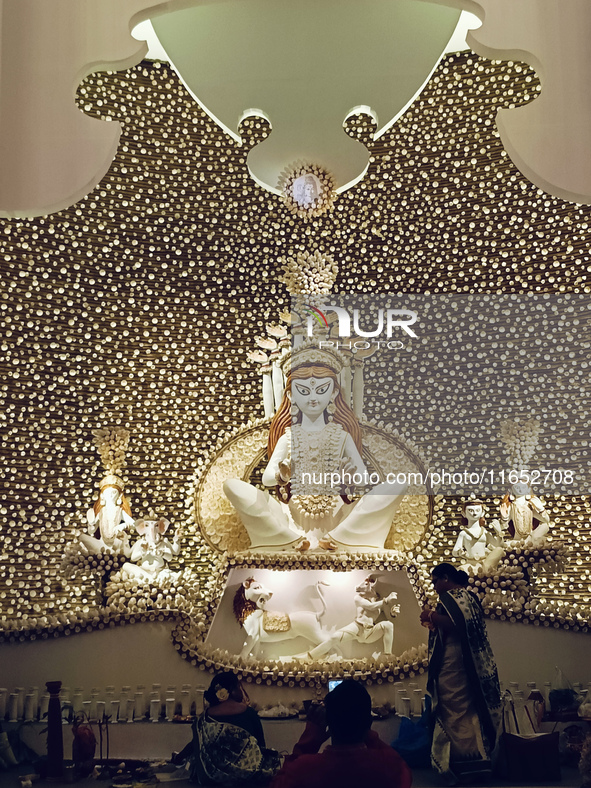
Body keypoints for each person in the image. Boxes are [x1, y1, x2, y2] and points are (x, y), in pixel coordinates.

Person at [223, 344, 407, 551]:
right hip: (291, 519)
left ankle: (338, 540)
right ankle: (289, 539)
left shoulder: (342, 436)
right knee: (232, 486)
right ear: (291, 396)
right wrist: (282, 477)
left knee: (397, 486)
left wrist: (349, 477)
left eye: (321, 390)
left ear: (333, 393)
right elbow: (267, 478)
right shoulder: (288, 437)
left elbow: (364, 478)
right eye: (303, 391)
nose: (312, 397)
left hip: (338, 517)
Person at [420, 563, 501, 784]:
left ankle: (459, 761)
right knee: (467, 708)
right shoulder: (469, 597)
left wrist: (430, 615)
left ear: (446, 578)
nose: (435, 587)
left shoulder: (452, 597)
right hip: (468, 662)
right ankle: (478, 760)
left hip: (454, 661)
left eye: (436, 581)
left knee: (452, 708)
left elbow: (457, 625)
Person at [271, 679, 412, 788]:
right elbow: (403, 770)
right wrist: (366, 731)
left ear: (328, 722)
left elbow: (278, 784)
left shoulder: (303, 769)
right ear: (369, 722)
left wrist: (310, 739)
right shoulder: (387, 767)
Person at [175, 671, 280, 784]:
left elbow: (196, 745)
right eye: (239, 687)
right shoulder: (249, 713)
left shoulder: (204, 718)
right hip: (247, 779)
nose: (242, 691)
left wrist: (178, 758)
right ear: (231, 690)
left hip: (212, 780)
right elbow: (260, 747)